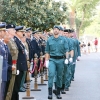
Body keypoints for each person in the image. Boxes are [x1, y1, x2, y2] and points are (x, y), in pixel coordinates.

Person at [45, 25, 69, 99]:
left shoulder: (63, 39)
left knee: (59, 76)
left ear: (59, 31)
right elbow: (47, 51)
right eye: (54, 29)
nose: (55, 30)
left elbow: (66, 50)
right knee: (51, 75)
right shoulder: (49, 40)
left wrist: (67, 58)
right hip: (52, 60)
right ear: (53, 30)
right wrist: (46, 61)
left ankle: (58, 92)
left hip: (61, 60)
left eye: (57, 29)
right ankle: (50, 93)